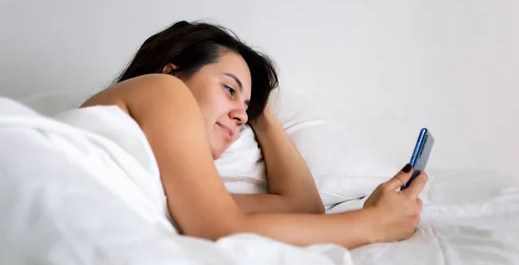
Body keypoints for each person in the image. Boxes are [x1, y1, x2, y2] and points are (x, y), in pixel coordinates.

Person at [81, 20, 427, 249]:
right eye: (229, 89)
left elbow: (304, 209)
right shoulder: (163, 89)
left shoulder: (160, 185)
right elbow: (220, 230)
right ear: (172, 72)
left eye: (247, 110)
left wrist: (259, 111)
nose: (240, 115)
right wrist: (372, 225)